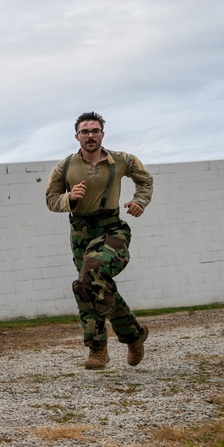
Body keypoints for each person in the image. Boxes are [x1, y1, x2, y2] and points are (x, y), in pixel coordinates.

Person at [45, 111, 154, 370]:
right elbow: (50, 199)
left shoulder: (121, 160)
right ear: (77, 136)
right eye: (85, 131)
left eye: (95, 130)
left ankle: (112, 342)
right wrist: (69, 198)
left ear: (102, 134)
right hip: (80, 231)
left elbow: (145, 180)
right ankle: (120, 340)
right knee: (88, 285)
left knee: (92, 272)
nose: (90, 135)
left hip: (111, 228)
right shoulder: (65, 166)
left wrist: (140, 202)